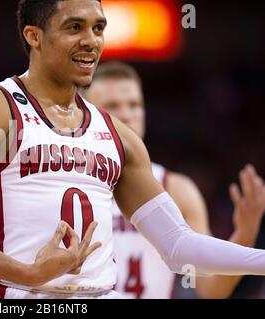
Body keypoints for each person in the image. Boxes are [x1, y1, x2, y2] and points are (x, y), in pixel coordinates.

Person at [0, 0, 265, 299]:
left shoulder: (118, 136)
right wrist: (26, 273)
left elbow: (178, 246)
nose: (91, 41)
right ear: (34, 36)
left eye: (98, 28)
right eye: (75, 27)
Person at [82, 61, 265, 298]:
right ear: (88, 115)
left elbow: (211, 290)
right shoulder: (64, 182)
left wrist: (245, 232)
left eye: (134, 105)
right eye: (113, 106)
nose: (127, 115)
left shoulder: (177, 188)